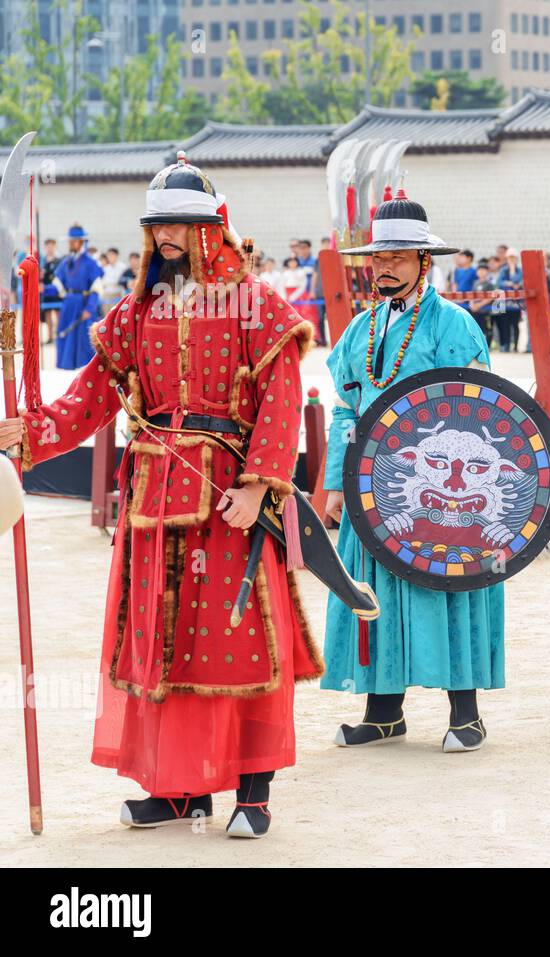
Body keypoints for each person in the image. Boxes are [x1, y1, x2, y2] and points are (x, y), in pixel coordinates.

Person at [0, 154, 319, 837]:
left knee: (239, 643)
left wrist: (258, 483)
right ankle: (179, 790)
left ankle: (253, 790)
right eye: (158, 228)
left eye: (179, 226)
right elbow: (90, 397)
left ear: (212, 230)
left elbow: (283, 394)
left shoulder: (256, 302)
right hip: (152, 499)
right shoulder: (133, 313)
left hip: (228, 498)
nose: (166, 239)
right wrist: (29, 433)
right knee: (163, 644)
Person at [321, 192, 499, 751]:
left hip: (444, 486)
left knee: (448, 586)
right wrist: (333, 480)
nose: (385, 268)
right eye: (379, 258)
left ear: (426, 262)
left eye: (398, 258)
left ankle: (465, 713)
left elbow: (477, 408)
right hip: (372, 483)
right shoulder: (361, 328)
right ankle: (383, 711)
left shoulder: (455, 325)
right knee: (376, 593)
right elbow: (346, 408)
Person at [53, 224, 102, 369]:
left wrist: (89, 308)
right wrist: (41, 287)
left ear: (81, 241)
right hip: (69, 304)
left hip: (83, 304)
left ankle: (86, 371)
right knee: (66, 337)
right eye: (70, 241)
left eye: (73, 240)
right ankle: (67, 368)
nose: (71, 244)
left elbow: (96, 289)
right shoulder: (67, 262)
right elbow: (57, 286)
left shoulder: (90, 263)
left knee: (84, 339)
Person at [495, 249, 524, 352]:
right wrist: (510, 283)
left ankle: (515, 346)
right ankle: (506, 345)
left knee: (515, 325)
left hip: (516, 303)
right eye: (510, 258)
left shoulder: (519, 270)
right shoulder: (503, 270)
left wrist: (512, 272)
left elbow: (519, 281)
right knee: (505, 325)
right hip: (504, 302)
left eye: (513, 258)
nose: (511, 260)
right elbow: (499, 282)